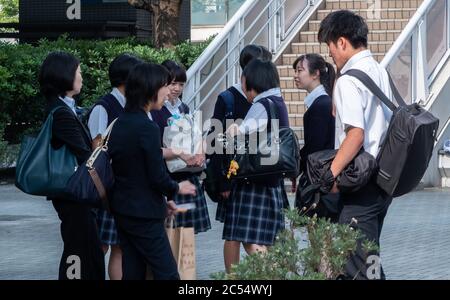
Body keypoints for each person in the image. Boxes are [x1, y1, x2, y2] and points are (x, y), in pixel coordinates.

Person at [318, 10, 394, 279]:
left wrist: (330, 174)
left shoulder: (350, 80)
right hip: (382, 183)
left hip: (360, 186)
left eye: (330, 49)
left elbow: (355, 135)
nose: (331, 57)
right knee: (367, 259)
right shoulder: (377, 70)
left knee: (357, 264)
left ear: (341, 42)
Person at [108, 62, 197, 280]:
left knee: (134, 271)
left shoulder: (121, 122)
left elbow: (134, 170)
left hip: (123, 209)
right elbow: (157, 176)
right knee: (167, 273)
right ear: (150, 89)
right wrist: (177, 187)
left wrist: (162, 200)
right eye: (165, 86)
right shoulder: (146, 127)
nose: (168, 91)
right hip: (144, 215)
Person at [39, 51, 105, 280]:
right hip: (74, 194)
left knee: (83, 248)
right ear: (64, 75)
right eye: (78, 72)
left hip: (73, 193)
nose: (81, 77)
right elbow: (84, 154)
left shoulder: (64, 107)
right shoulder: (61, 113)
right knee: (79, 250)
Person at [208, 44, 273, 273]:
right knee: (234, 235)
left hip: (259, 175)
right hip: (234, 176)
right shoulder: (228, 98)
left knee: (254, 234)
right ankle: (232, 278)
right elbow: (214, 140)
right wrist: (222, 181)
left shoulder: (266, 98)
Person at [224, 59, 289, 263]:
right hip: (272, 178)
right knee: (266, 238)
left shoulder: (261, 105)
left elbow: (240, 134)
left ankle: (267, 275)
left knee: (242, 236)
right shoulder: (278, 102)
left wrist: (229, 131)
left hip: (254, 178)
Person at [87, 53, 142, 280]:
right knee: (104, 245)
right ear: (126, 79)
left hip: (124, 186)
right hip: (107, 187)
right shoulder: (104, 107)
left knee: (119, 246)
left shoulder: (132, 106)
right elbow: (96, 148)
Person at [151, 60, 211, 237]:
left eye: (181, 84)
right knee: (167, 237)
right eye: (172, 83)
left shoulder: (184, 108)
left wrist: (201, 152)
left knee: (186, 238)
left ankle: (185, 267)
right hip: (167, 179)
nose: (176, 88)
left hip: (187, 176)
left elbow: (198, 135)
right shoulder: (155, 110)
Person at [292, 54, 339, 221]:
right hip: (323, 175)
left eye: (300, 70)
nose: (295, 75)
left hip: (320, 179)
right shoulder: (322, 102)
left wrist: (295, 167)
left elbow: (315, 148)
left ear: (315, 74)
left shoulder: (320, 106)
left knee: (319, 233)